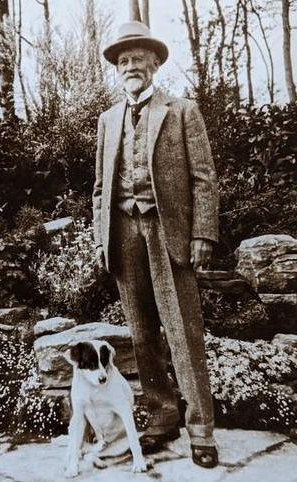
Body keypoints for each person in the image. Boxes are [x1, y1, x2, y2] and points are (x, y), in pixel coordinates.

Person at [92, 21, 220, 468]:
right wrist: (100, 238)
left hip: (170, 233)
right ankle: (162, 417)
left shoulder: (183, 111)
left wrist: (203, 233)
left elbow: (203, 179)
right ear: (117, 68)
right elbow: (98, 188)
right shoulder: (108, 120)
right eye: (123, 61)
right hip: (123, 232)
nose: (131, 66)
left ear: (155, 63)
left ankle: (201, 430)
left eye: (139, 59)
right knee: (143, 334)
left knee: (183, 331)